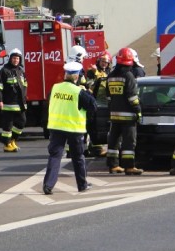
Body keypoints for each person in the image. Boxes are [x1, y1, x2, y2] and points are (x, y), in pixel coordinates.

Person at [42, 61, 97, 195]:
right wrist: (88, 92)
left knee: (55, 156)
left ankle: (48, 185)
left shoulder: (55, 88)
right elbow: (93, 106)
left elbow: (50, 101)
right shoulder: (79, 92)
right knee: (78, 157)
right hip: (74, 128)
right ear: (77, 76)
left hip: (56, 127)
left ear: (65, 74)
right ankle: (82, 185)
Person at [105, 47, 143, 175]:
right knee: (129, 142)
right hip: (128, 116)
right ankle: (129, 166)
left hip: (114, 115)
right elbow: (132, 97)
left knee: (114, 141)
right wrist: (138, 111)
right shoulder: (129, 76)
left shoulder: (110, 76)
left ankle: (113, 165)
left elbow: (108, 97)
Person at [0, 48, 27, 152]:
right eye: (14, 58)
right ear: (10, 59)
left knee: (22, 122)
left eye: (17, 58)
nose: (15, 60)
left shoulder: (21, 71)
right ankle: (7, 144)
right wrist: (0, 100)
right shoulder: (4, 71)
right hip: (8, 104)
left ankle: (13, 140)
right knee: (7, 126)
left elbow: (25, 86)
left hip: (20, 104)